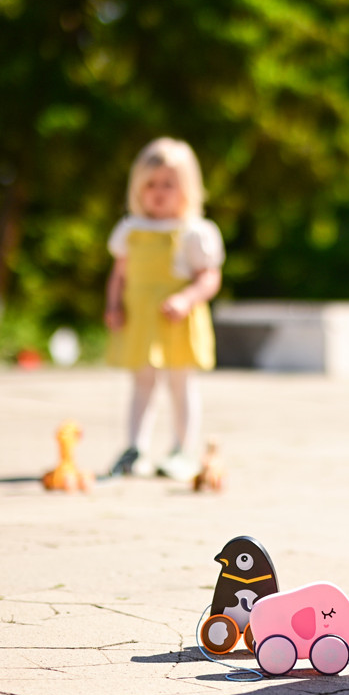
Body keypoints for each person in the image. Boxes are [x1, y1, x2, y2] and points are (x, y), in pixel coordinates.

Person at [104, 137, 224, 481]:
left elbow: (209, 277)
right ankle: (135, 448)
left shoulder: (193, 232)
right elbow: (119, 275)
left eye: (168, 184)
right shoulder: (130, 230)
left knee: (180, 385)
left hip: (176, 323)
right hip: (141, 320)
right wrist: (113, 305)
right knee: (141, 384)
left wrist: (187, 299)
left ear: (187, 188)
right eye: (150, 184)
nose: (158, 192)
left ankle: (183, 450)